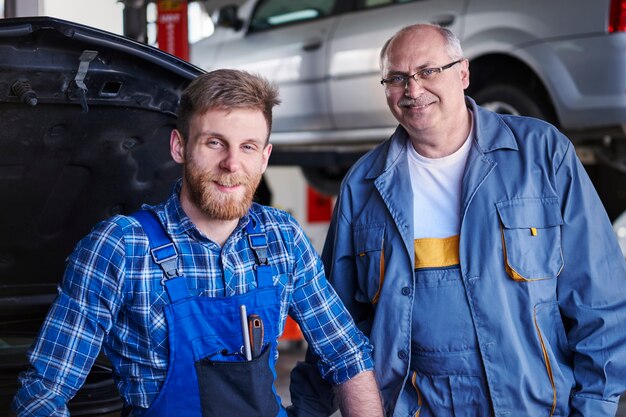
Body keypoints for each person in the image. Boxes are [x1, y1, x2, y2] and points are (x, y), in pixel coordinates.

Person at [290, 24, 626, 416]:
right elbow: (334, 326)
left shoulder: (541, 155)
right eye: (397, 78)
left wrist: (594, 407)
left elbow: (600, 300)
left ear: (463, 73)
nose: (413, 90)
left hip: (531, 406)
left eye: (428, 71)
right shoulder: (363, 186)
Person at [11, 69, 384, 417]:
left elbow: (345, 353)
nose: (232, 163)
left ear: (265, 157)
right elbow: (44, 392)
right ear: (179, 146)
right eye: (214, 142)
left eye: (249, 147)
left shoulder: (282, 238)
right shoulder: (122, 247)